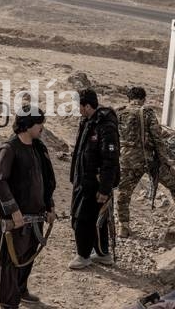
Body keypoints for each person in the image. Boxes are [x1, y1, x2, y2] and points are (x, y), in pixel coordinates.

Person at [0, 106, 57, 308]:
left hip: (36, 216)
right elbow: (0, 181)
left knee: (27, 256)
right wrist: (14, 211)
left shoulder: (38, 147)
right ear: (27, 125)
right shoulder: (10, 148)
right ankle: (8, 302)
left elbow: (47, 180)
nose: (42, 128)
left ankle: (22, 291)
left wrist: (50, 206)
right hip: (17, 218)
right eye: (39, 124)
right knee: (11, 259)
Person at [116, 87, 175, 237]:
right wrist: (164, 160)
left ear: (129, 98)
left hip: (126, 158)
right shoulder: (146, 112)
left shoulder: (119, 113)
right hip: (148, 159)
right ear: (143, 98)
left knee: (124, 192)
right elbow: (157, 138)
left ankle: (123, 226)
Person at [69, 89, 120, 270]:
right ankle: (102, 253)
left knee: (82, 219)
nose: (79, 110)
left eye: (80, 106)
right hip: (84, 180)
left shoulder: (105, 126)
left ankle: (83, 256)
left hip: (94, 183)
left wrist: (105, 189)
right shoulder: (88, 122)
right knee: (96, 219)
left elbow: (110, 160)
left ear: (88, 106)